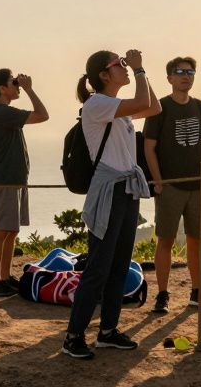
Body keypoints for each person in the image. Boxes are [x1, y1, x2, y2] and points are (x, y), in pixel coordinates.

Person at [62, 49, 159, 360]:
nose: (125, 67)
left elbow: (153, 106)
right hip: (109, 190)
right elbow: (144, 102)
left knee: (119, 264)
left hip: (126, 188)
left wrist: (142, 73)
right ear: (104, 75)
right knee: (99, 266)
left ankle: (107, 331)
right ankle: (74, 335)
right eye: (119, 64)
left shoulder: (117, 108)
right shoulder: (97, 104)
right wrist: (140, 69)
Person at [144, 56, 201, 314]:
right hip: (170, 186)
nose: (185, 76)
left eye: (190, 71)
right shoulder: (159, 108)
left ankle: (198, 292)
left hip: (198, 185)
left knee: (197, 240)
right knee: (165, 240)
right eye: (179, 72)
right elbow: (149, 147)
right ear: (169, 78)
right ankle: (162, 294)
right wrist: (159, 181)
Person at [0, 67, 49, 297]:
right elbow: (42, 115)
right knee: (1, 230)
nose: (18, 85)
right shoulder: (1, 112)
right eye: (13, 82)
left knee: (11, 231)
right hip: (5, 180)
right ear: (2, 88)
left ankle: (4, 276)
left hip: (14, 180)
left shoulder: (3, 112)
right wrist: (30, 89)